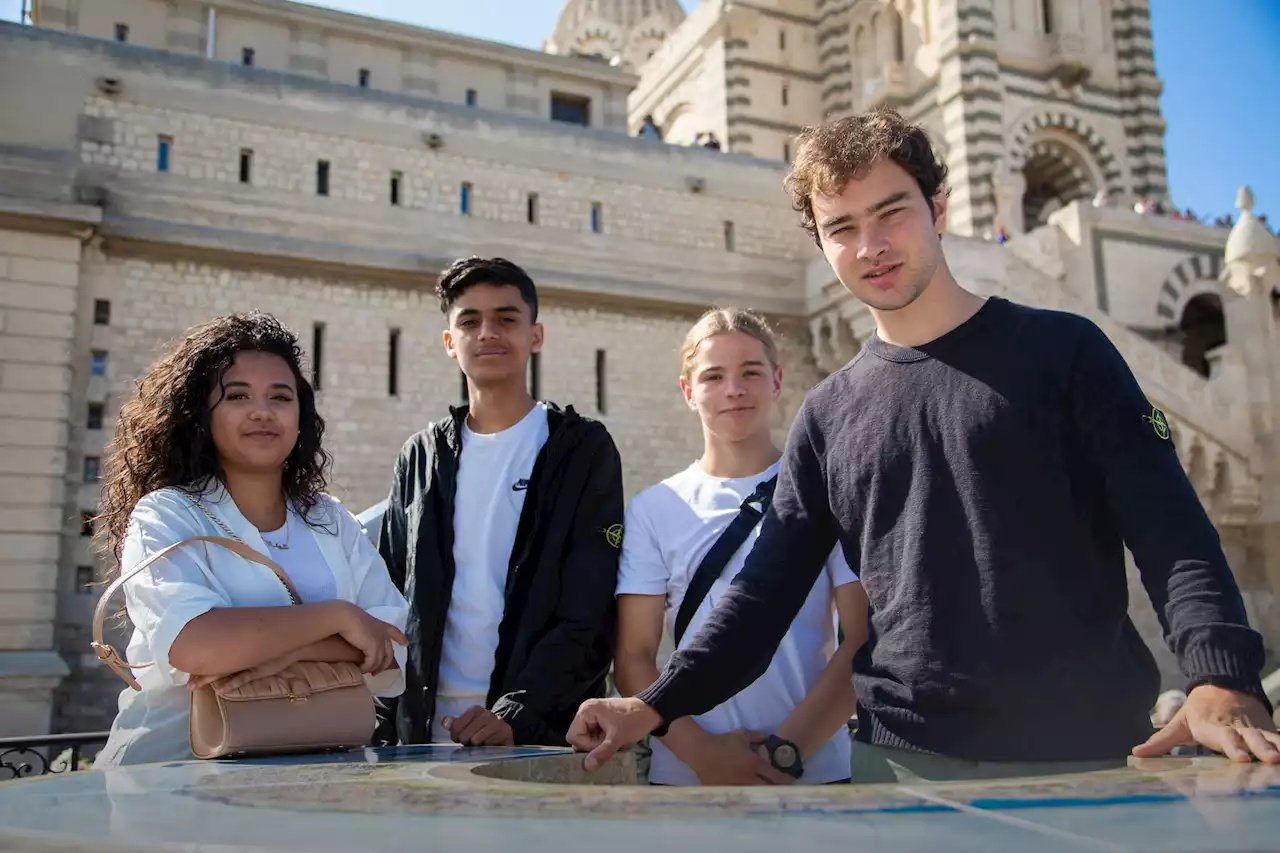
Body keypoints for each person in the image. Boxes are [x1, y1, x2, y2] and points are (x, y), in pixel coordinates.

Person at [567, 108, 1280, 780]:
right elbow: (759, 599)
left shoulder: (1065, 351)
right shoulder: (827, 414)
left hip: (1082, 749)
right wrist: (653, 704)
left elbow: (1169, 529)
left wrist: (1220, 672)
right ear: (821, 244)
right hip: (902, 766)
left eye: (891, 212)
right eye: (842, 226)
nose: (870, 246)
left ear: (938, 209)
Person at [93, 312, 409, 767]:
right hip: (174, 780)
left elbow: (394, 645)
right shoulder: (166, 514)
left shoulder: (330, 519)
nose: (262, 411)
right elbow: (193, 645)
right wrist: (338, 618)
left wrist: (277, 647)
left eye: (280, 396)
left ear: (301, 417)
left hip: (321, 777)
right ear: (201, 414)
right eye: (238, 395)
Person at [375, 256, 624, 748]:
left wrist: (516, 714)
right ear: (450, 343)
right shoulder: (421, 457)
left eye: (506, 319)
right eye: (469, 321)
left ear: (536, 336)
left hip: (535, 743)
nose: (487, 332)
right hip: (420, 739)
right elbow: (386, 597)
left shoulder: (581, 451)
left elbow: (590, 609)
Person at [615, 308, 868, 786]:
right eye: (713, 376)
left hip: (813, 773)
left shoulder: (827, 493)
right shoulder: (653, 510)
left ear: (776, 381)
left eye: (750, 372)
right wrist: (703, 755)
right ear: (689, 392)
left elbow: (860, 638)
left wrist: (785, 753)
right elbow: (633, 658)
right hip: (689, 776)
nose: (734, 389)